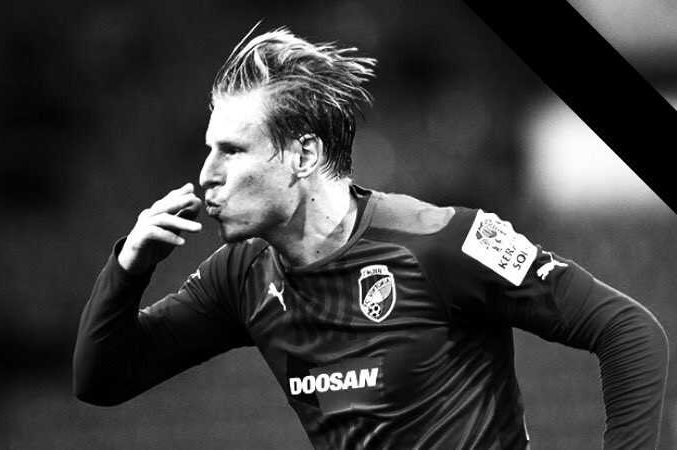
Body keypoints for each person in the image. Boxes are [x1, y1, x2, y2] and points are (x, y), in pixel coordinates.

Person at [72, 26, 669, 449]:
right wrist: (128, 269)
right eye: (209, 149)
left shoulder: (441, 240)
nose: (207, 174)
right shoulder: (243, 276)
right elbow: (103, 380)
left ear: (304, 155)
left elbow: (628, 330)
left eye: (231, 150)